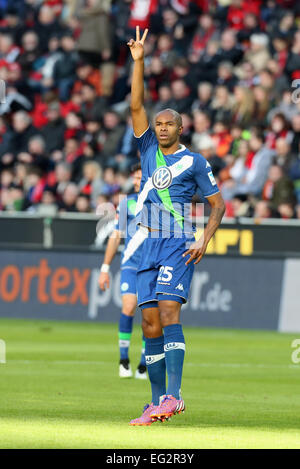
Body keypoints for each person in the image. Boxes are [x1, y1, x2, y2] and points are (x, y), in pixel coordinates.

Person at [127, 27, 225, 426]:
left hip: (178, 241)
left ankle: (175, 395)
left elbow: (218, 205)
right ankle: (155, 403)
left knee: (169, 310)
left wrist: (204, 236)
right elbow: (136, 106)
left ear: (180, 129)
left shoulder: (196, 163)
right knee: (148, 323)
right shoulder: (147, 147)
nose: (161, 127)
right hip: (148, 241)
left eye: (168, 124)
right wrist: (139, 62)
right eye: (159, 123)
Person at [98, 163, 147, 379]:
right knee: (129, 307)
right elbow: (116, 235)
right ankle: (124, 359)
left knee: (150, 314)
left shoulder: (160, 203)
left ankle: (145, 363)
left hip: (152, 266)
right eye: (135, 178)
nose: (137, 181)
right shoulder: (127, 203)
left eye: (141, 177)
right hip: (131, 262)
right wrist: (105, 268)